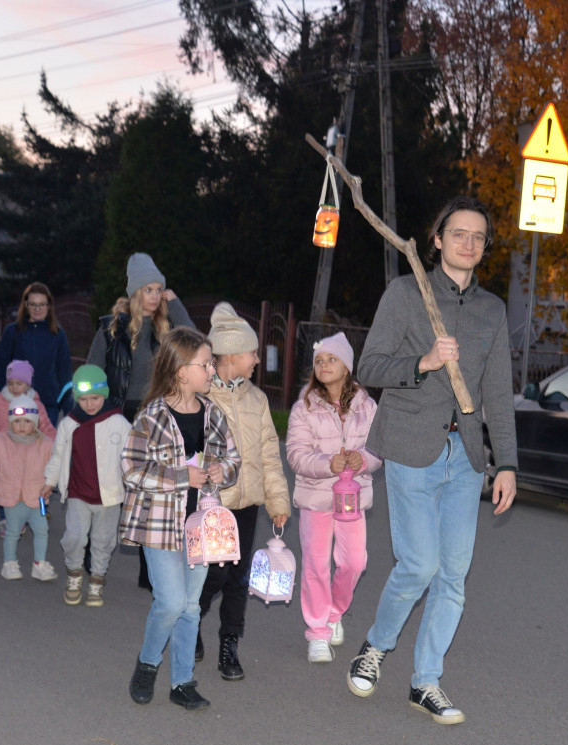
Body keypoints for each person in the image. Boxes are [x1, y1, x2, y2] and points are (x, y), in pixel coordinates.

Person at [345, 196, 518, 725]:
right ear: (437, 239)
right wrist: (423, 362)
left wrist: (506, 462)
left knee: (454, 575)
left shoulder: (492, 310)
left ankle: (426, 680)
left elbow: (499, 393)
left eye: (479, 237)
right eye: (458, 234)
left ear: (485, 248)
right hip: (412, 446)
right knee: (419, 564)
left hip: (465, 455)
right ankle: (376, 646)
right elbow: (370, 365)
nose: (469, 243)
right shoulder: (405, 294)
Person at [122, 327, 240, 712]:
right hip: (160, 527)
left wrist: (224, 470)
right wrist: (179, 477)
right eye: (204, 364)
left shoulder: (213, 414)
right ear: (179, 371)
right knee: (171, 603)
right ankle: (148, 663)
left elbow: (233, 459)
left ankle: (183, 681)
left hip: (201, 527)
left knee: (190, 606)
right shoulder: (151, 417)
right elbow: (132, 470)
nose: (211, 370)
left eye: (211, 363)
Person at [87, 252, 194, 588]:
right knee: (108, 492)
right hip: (116, 417)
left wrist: (174, 304)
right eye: (148, 289)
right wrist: (91, 416)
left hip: (153, 421)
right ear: (135, 292)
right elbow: (92, 373)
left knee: (152, 496)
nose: (154, 296)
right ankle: (94, 563)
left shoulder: (165, 330)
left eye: (158, 289)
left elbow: (194, 342)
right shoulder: (110, 327)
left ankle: (150, 574)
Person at [197, 302, 291, 681]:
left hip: (248, 504)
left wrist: (278, 500)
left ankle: (228, 644)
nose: (257, 359)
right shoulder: (202, 398)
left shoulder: (257, 399)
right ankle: (191, 619)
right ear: (232, 355)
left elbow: (270, 453)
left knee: (238, 577)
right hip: (215, 505)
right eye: (252, 352)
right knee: (214, 575)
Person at [286, 331, 381, 664]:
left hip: (352, 500)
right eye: (319, 360)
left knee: (355, 562)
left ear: (347, 367)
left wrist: (363, 460)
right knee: (315, 564)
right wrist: (329, 464)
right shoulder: (304, 407)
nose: (324, 365)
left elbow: (378, 450)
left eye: (332, 359)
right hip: (315, 500)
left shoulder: (367, 406)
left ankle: (333, 613)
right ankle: (317, 633)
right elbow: (296, 455)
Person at [42, 364, 131, 607]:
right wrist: (49, 481)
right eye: (83, 399)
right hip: (78, 493)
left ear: (104, 395)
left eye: (95, 398)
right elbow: (58, 456)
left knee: (103, 541)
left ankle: (97, 579)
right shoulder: (69, 423)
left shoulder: (119, 423)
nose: (89, 404)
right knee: (74, 537)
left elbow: (131, 458)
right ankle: (74, 574)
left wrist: (135, 486)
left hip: (109, 496)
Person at [0, 394, 57, 582]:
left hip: (39, 499)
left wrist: (51, 482)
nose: (22, 426)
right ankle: (9, 564)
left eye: (27, 421)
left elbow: (57, 463)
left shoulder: (46, 444)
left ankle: (39, 564)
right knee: (12, 532)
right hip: (12, 499)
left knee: (42, 530)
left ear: (35, 422)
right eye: (17, 421)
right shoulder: (2, 441)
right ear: (10, 422)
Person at [0, 360, 58, 534]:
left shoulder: (36, 404)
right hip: (3, 450)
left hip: (30, 451)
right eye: (11, 383)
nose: (14, 387)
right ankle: (6, 519)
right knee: (5, 483)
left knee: (29, 483)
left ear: (28, 384)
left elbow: (46, 426)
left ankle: (30, 513)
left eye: (19, 383)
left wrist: (57, 444)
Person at [0, 282, 72, 427]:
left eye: (42, 304)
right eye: (33, 304)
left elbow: (64, 372)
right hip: (15, 403)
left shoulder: (58, 335)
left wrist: (67, 408)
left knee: (44, 448)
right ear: (26, 305)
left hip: (48, 406)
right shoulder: (13, 332)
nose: (37, 309)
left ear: (49, 305)